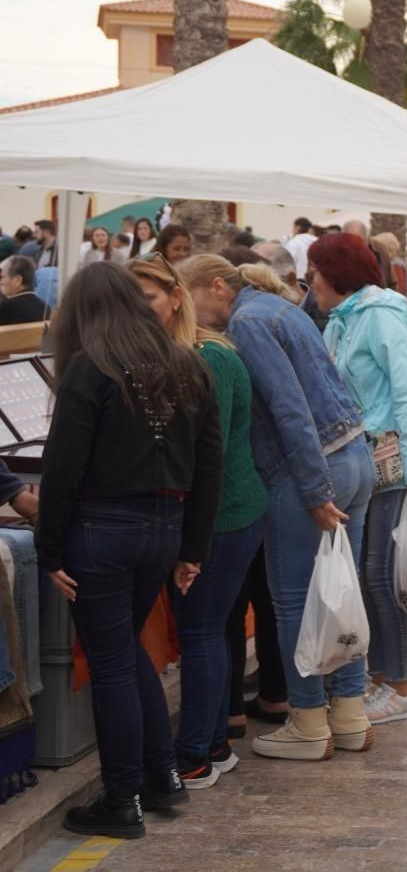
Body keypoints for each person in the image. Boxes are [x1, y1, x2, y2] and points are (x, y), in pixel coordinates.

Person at [36, 263, 223, 837]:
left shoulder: (90, 367)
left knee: (114, 664)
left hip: (100, 530)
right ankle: (160, 775)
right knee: (127, 653)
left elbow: (63, 465)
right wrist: (192, 546)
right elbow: (209, 462)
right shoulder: (187, 363)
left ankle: (121, 799)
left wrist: (49, 549)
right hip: (163, 528)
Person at [179, 254, 375, 762]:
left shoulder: (248, 322)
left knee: (294, 601)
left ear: (216, 286)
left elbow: (290, 408)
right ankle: (350, 715)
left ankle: (309, 721)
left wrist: (313, 491)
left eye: (189, 297)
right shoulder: (278, 307)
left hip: (311, 469)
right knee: (341, 591)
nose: (188, 311)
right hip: (353, 454)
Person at [128, 256, 265, 789]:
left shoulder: (207, 357)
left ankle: (196, 757)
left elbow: (210, 456)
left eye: (148, 298)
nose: (139, 310)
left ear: (177, 297)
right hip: (224, 512)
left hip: (224, 515)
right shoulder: (192, 353)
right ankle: (213, 743)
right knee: (212, 630)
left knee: (203, 630)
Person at [311, 234, 407, 727]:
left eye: (316, 272)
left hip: (393, 468)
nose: (311, 282)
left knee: (386, 579)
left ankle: (400, 686)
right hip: (365, 466)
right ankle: (382, 676)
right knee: (370, 576)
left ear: (336, 274)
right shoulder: (343, 320)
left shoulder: (380, 315)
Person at [0, 255, 47, 324]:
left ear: (17, 280)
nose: (0, 282)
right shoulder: (46, 308)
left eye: (1, 277)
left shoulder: (4, 308)